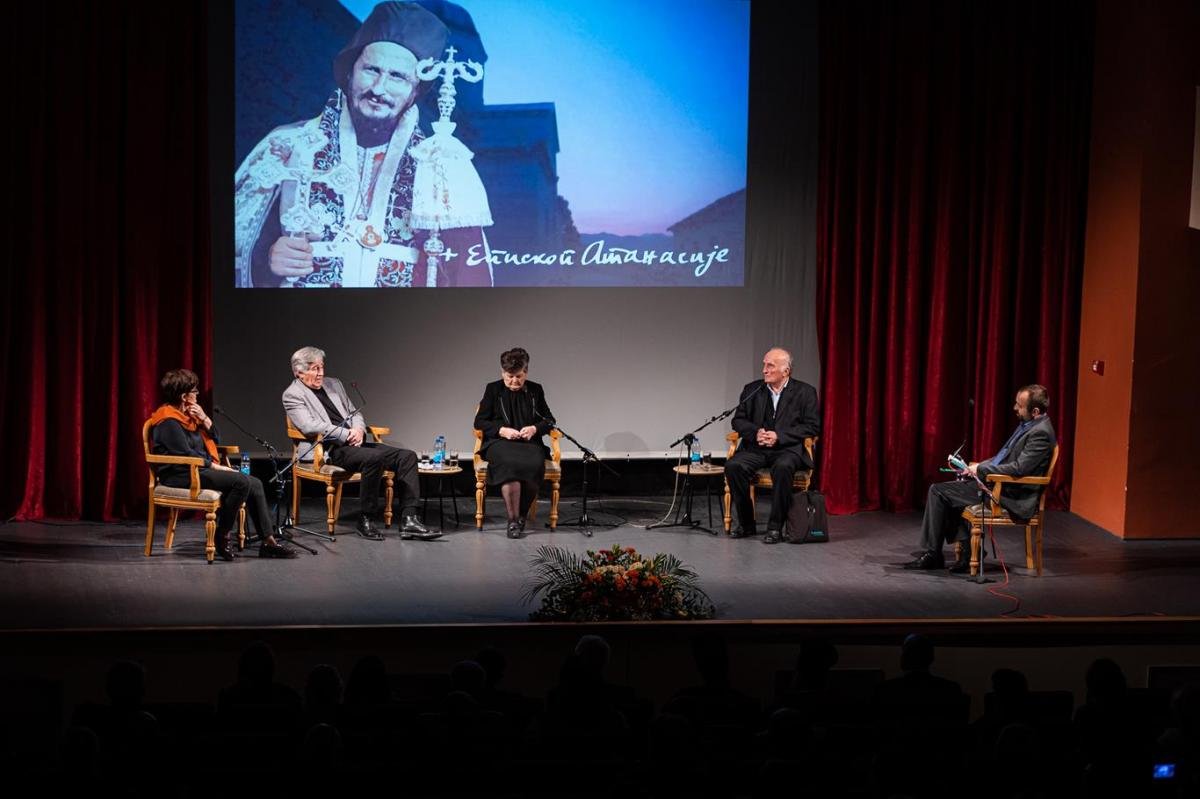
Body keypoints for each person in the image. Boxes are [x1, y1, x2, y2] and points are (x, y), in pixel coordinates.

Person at [235, 1, 493, 288]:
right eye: (371, 69)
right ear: (349, 73)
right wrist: (265, 259)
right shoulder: (285, 146)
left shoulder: (438, 166)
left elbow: (470, 278)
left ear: (415, 91)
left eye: (397, 77)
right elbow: (230, 248)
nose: (379, 89)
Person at [282, 346, 437, 540]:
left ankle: (410, 520)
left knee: (407, 456)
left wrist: (358, 430)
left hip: (356, 444)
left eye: (321, 367)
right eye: (315, 369)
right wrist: (346, 434)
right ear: (299, 372)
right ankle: (365, 519)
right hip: (329, 450)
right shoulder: (293, 394)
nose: (321, 373)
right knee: (374, 458)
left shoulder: (333, 384)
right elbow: (309, 426)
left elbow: (354, 412)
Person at [906, 384, 1057, 572]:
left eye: (1019, 405)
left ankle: (934, 554)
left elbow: (1020, 468)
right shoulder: (1029, 425)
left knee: (938, 492)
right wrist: (976, 468)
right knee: (950, 492)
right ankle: (968, 552)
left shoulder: (1040, 433)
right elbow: (1004, 456)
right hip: (999, 485)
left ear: (1035, 411)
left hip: (1011, 494)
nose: (1015, 408)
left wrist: (981, 469)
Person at [149, 369, 296, 560]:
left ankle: (268, 542)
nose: (197, 394)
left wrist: (205, 419)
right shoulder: (167, 421)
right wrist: (219, 467)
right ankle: (222, 535)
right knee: (241, 482)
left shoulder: (191, 416)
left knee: (256, 483)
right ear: (184, 396)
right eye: (194, 391)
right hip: (180, 475)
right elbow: (186, 454)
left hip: (199, 469)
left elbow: (216, 439)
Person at [726, 347, 821, 543]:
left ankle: (775, 527)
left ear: (786, 371)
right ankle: (746, 524)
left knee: (784, 467)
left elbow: (812, 426)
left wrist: (780, 436)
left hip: (787, 449)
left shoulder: (805, 392)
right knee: (734, 466)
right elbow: (738, 420)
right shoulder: (752, 390)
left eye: (770, 366)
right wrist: (756, 433)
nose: (764, 370)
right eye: (764, 365)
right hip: (756, 448)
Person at [473, 348, 555, 538]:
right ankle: (512, 521)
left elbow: (549, 420)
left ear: (526, 372)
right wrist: (502, 430)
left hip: (529, 444)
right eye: (509, 377)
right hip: (500, 443)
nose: (514, 381)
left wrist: (534, 429)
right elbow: (479, 421)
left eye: (519, 376)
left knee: (534, 464)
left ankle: (521, 516)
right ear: (503, 373)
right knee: (510, 464)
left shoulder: (535, 390)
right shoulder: (493, 389)